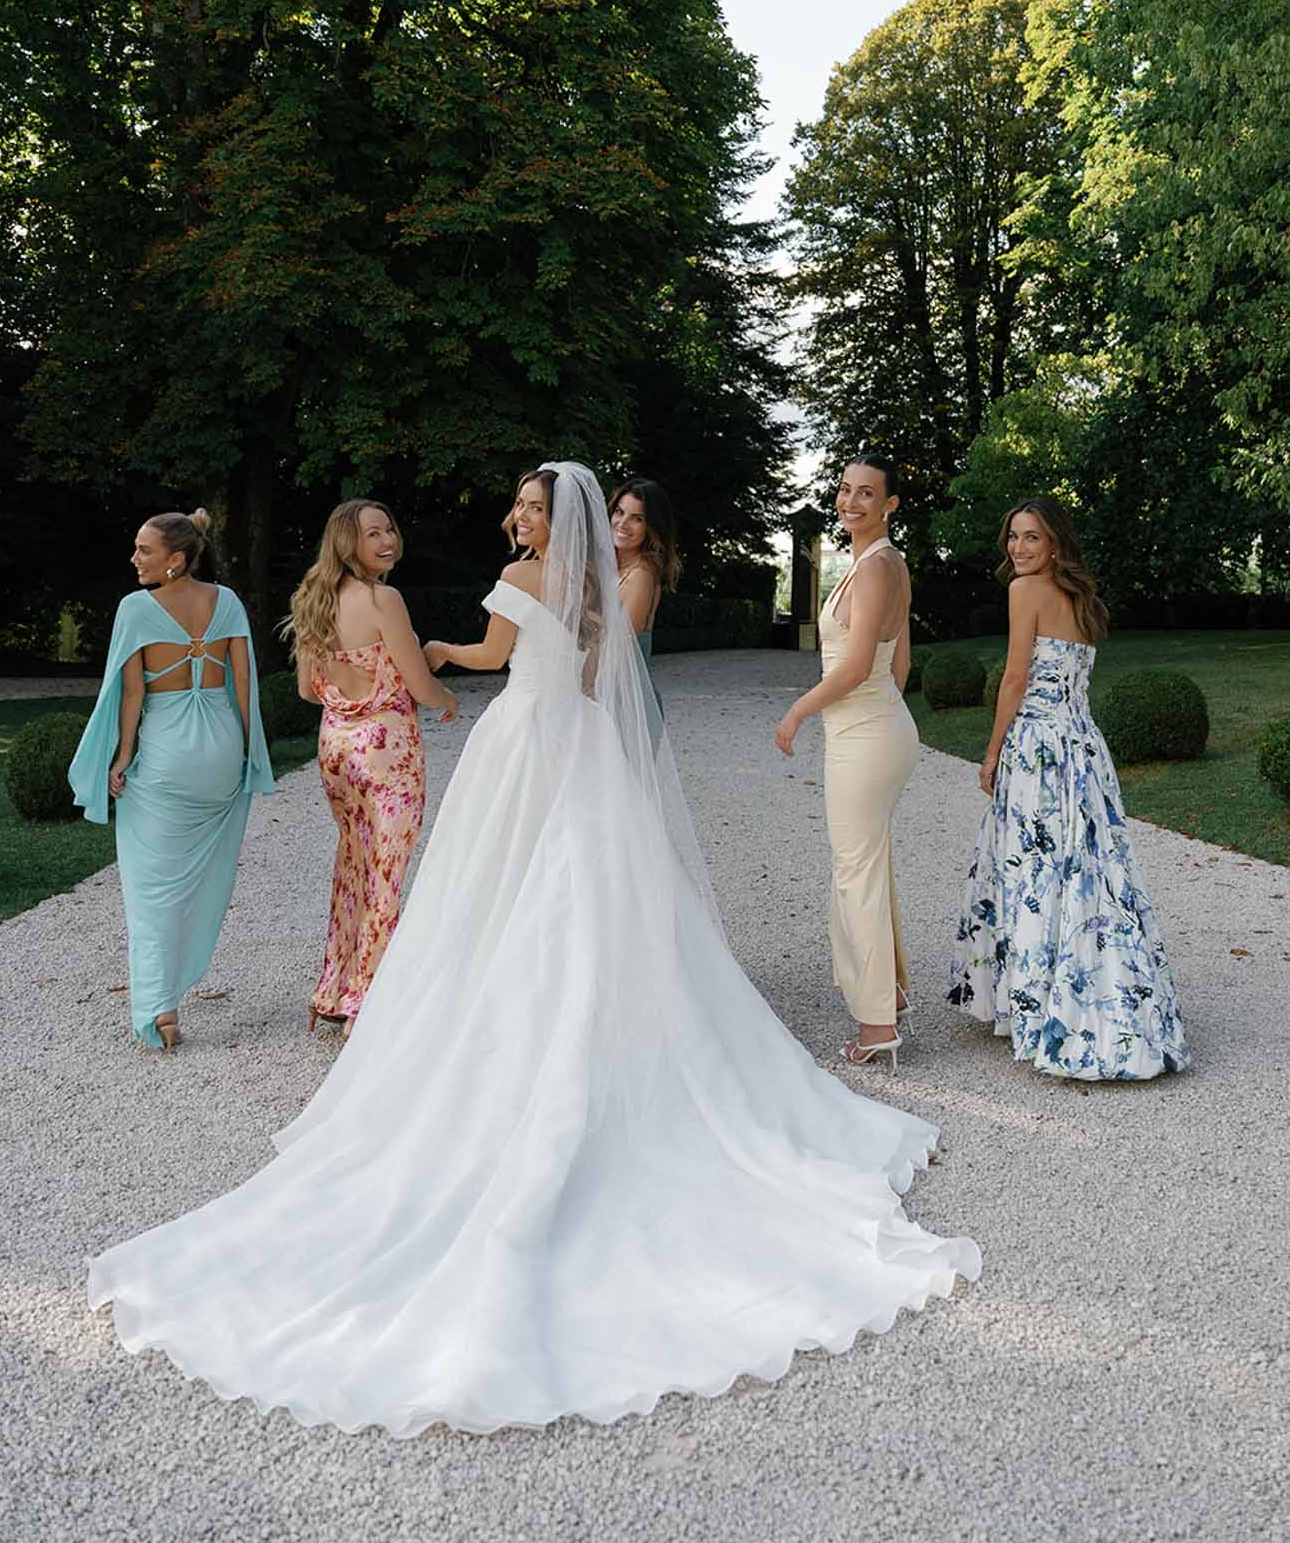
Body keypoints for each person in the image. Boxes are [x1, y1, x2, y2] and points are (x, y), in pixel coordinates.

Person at [88, 462, 978, 1439]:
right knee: (594, 896)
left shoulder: (519, 580)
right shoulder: (596, 583)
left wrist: (437, 645)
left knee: (493, 893)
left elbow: (489, 655)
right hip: (583, 743)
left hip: (523, 740)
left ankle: (498, 1032)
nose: (514, 515)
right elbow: (596, 667)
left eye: (525, 506)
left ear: (548, 519)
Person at [947, 498, 1190, 1080]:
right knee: (1091, 876)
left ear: (1055, 543)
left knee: (1036, 872)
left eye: (1032, 538)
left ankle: (1041, 1015)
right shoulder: (1083, 600)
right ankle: (1109, 1008)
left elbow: (1014, 678)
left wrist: (991, 751)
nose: (1019, 549)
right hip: (1083, 748)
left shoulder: (1023, 592)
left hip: (1037, 750)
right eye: (1013, 538)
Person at [68, 509, 274, 1050]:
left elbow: (131, 695)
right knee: (203, 877)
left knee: (152, 888)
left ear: (176, 559)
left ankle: (162, 1009)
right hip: (222, 753)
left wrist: (121, 759)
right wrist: (251, 758)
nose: (134, 559)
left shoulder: (135, 609)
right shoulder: (226, 602)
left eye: (144, 550)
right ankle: (174, 987)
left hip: (165, 756)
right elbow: (244, 685)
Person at [286, 499, 458, 1038]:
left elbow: (304, 691)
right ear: (347, 543)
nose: (387, 540)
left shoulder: (313, 598)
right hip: (387, 751)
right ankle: (367, 1002)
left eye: (390, 528)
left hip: (335, 745)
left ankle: (333, 990)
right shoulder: (384, 599)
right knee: (386, 873)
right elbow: (418, 683)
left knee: (353, 865)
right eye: (372, 533)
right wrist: (446, 698)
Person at [775, 455, 918, 1071]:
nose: (851, 501)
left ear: (888, 505)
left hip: (864, 734)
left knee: (854, 872)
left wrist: (797, 713)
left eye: (867, 494)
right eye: (845, 490)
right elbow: (900, 663)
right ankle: (894, 992)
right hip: (877, 726)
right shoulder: (876, 564)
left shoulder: (877, 567)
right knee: (870, 865)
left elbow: (858, 665)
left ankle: (876, 1024)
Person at [607, 475, 680, 740]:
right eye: (619, 512)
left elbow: (618, 648)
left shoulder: (642, 574)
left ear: (652, 527)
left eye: (637, 518)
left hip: (628, 706)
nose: (623, 524)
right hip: (604, 698)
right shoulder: (609, 568)